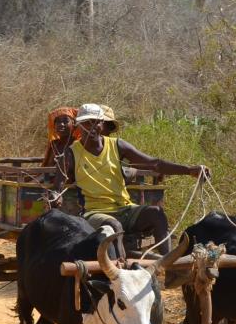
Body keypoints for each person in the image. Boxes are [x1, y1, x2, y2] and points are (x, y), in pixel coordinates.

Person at [63, 103, 210, 254]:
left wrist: (190, 170)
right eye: (86, 123)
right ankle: (121, 268)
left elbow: (155, 164)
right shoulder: (71, 153)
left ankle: (169, 265)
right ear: (79, 126)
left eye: (96, 122)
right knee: (114, 226)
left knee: (157, 213)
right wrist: (55, 194)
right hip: (94, 213)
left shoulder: (117, 145)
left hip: (125, 208)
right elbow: (58, 183)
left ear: (102, 124)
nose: (91, 127)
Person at [40, 106, 78, 180]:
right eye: (58, 122)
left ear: (74, 124)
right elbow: (47, 167)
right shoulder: (54, 144)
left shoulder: (78, 144)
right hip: (50, 182)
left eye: (65, 121)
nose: (61, 124)